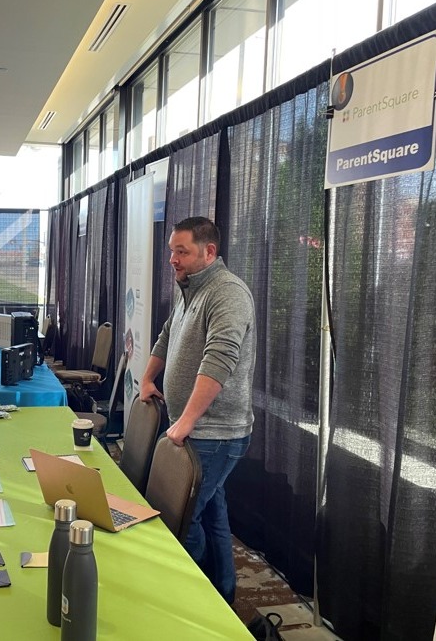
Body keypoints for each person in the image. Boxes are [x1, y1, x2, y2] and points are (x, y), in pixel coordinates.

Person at [140, 216, 256, 606]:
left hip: (214, 432)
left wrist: (186, 422)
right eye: (171, 250)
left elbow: (219, 360)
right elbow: (167, 334)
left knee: (179, 520)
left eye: (182, 251)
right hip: (192, 428)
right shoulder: (189, 288)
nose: (172, 259)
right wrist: (147, 378)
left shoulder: (228, 293)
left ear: (209, 252)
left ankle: (194, 598)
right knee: (212, 518)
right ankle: (221, 596)